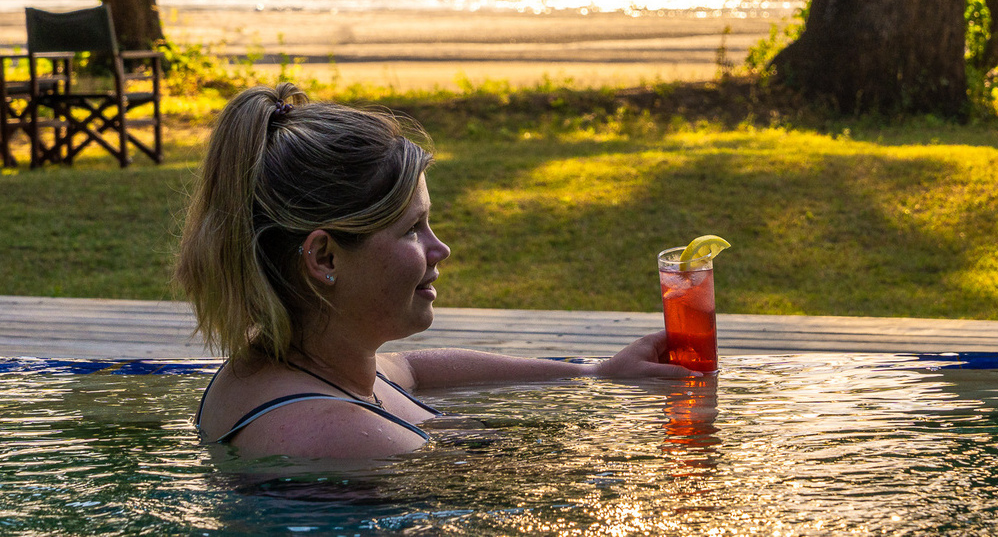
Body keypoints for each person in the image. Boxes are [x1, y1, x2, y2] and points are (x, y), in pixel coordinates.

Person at [175, 83, 695, 459]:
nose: (439, 248)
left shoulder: (308, 369)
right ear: (325, 258)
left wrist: (595, 375)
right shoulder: (335, 434)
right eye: (412, 230)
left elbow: (416, 370)